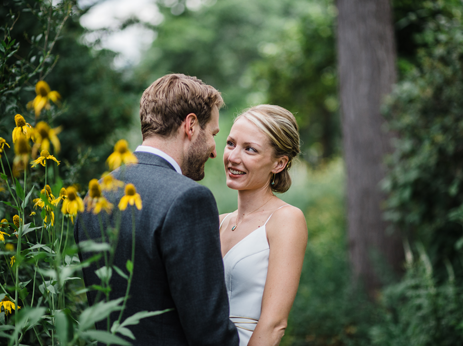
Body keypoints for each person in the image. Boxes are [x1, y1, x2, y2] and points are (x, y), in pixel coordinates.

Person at [74, 74, 239, 346]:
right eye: (213, 134)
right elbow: (208, 330)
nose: (213, 150)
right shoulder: (189, 199)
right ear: (191, 125)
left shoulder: (95, 193)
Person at [219, 105, 308, 346]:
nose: (233, 157)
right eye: (231, 143)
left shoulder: (286, 219)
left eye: (250, 149)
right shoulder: (218, 222)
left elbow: (274, 324)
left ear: (278, 163)